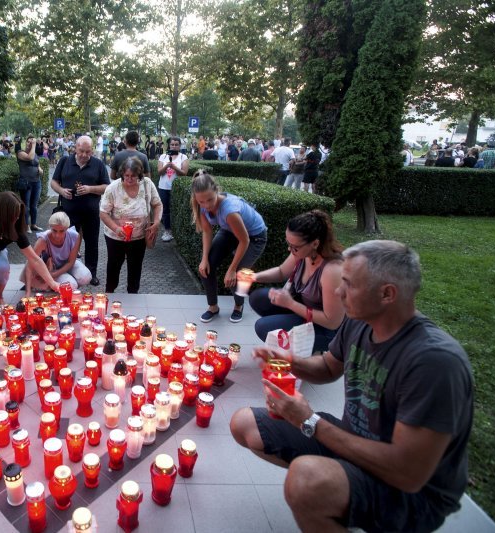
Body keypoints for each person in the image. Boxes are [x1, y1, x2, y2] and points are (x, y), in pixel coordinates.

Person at [230, 240, 474, 532]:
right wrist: (290, 361)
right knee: (244, 423)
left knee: (306, 480)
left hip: (410, 492)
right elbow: (329, 366)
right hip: (352, 442)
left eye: (348, 284)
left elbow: (408, 473)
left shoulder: (434, 363)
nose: (336, 291)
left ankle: (341, 498)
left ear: (387, 294)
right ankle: (344, 495)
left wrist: (309, 421)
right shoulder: (360, 320)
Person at [247, 211, 345, 353]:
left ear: (315, 243)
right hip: (304, 309)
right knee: (258, 298)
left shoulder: (332, 270)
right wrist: (254, 277)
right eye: (288, 244)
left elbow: (332, 322)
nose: (290, 249)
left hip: (326, 329)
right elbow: (281, 271)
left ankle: (310, 346)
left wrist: (291, 304)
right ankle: (292, 333)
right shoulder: (304, 252)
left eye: (294, 247)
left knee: (263, 328)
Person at [191, 171, 267, 323]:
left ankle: (239, 306)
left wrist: (232, 269)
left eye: (210, 200)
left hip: (255, 237)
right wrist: (204, 259)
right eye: (201, 202)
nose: (207, 205)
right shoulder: (201, 205)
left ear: (216, 191)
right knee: (206, 268)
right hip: (231, 231)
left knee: (238, 276)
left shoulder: (229, 210)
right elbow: (207, 231)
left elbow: (244, 240)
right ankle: (213, 307)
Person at [51, 135, 111, 286]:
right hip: (68, 213)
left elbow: (106, 187)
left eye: (88, 152)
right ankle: (67, 271)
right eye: (81, 151)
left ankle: (91, 274)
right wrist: (61, 191)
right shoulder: (65, 161)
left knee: (92, 244)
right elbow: (53, 182)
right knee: (67, 244)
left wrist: (90, 189)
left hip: (90, 213)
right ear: (75, 148)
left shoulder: (98, 164)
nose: (84, 155)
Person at [99, 158, 162, 294]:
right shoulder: (113, 188)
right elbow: (103, 213)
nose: (129, 179)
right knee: (113, 268)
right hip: (116, 237)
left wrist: (156, 222)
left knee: (135, 268)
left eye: (133, 176)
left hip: (139, 237)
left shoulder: (147, 184)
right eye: (126, 175)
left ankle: (133, 295)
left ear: (139, 175)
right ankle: (109, 292)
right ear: (122, 174)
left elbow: (157, 204)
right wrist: (116, 228)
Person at [23, 212, 92, 297]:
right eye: (54, 230)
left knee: (86, 277)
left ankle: (60, 283)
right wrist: (28, 291)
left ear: (67, 228)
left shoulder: (74, 236)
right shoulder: (43, 240)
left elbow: (71, 262)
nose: (57, 235)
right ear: (49, 227)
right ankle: (61, 285)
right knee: (71, 285)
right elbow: (30, 264)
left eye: (62, 231)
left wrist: (54, 275)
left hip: (68, 264)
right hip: (52, 268)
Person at [157, 136, 189, 243]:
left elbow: (184, 173)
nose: (174, 146)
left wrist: (174, 167)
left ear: (179, 146)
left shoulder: (183, 157)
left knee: (177, 209)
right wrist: (166, 166)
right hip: (164, 187)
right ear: (169, 145)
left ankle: (178, 231)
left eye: (176, 145)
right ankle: (167, 231)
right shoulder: (163, 156)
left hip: (176, 188)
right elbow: (159, 172)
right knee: (165, 209)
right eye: (172, 144)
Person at [17, 135, 43, 231]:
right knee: (26, 206)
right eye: (28, 142)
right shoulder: (20, 153)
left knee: (34, 206)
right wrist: (34, 145)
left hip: (36, 182)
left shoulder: (35, 154)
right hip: (26, 182)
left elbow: (37, 164)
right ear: (25, 143)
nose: (30, 143)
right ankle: (26, 225)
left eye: (31, 141)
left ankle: (33, 224)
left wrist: (40, 170)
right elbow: (30, 157)